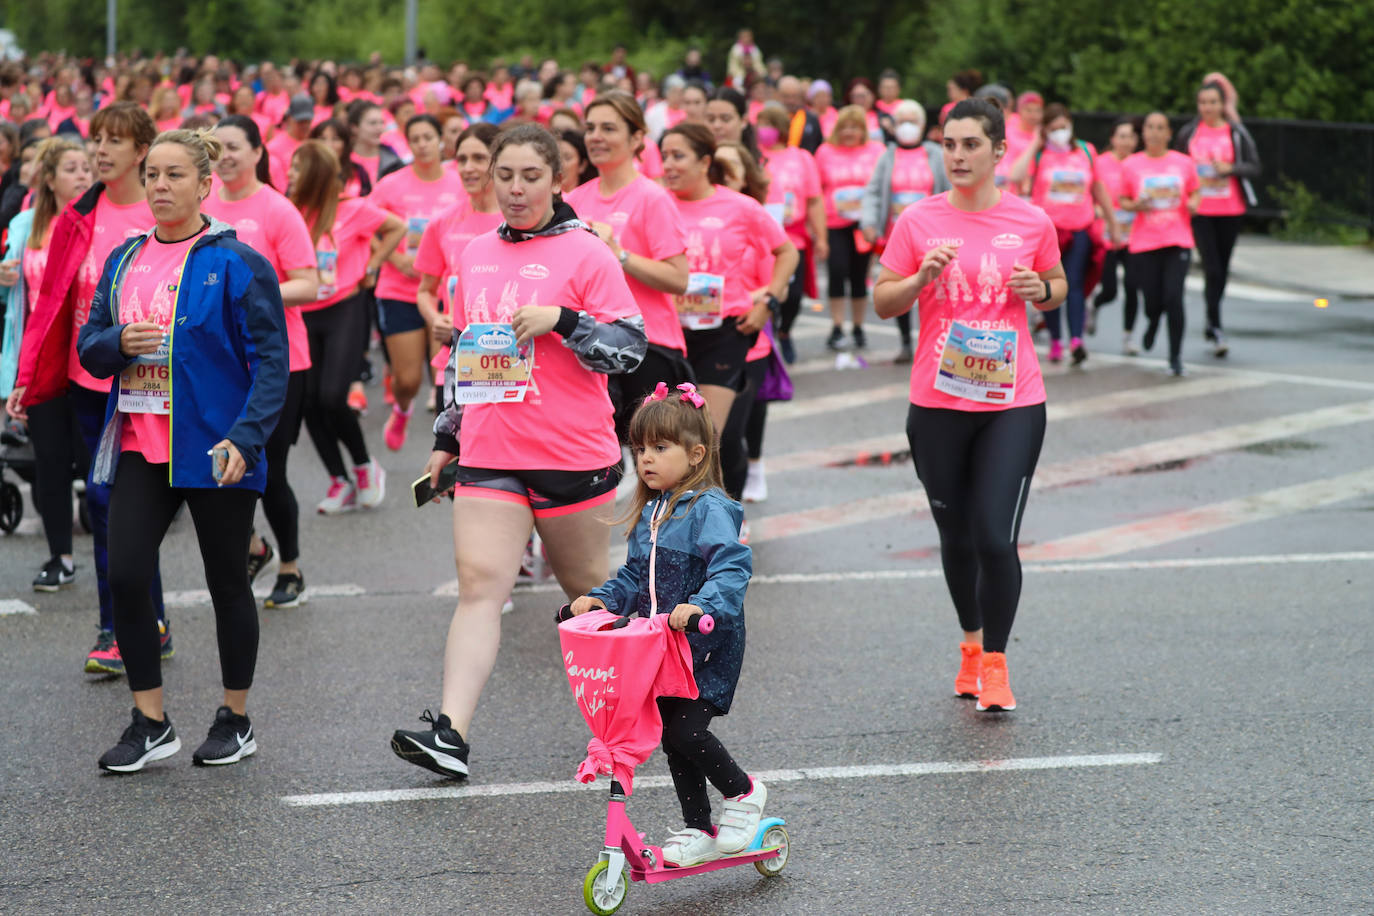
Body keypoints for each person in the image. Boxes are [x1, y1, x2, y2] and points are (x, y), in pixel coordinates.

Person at [389, 124, 647, 779]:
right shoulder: (473, 253)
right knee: (479, 587)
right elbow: (465, 360)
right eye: (505, 175)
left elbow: (629, 349)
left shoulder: (586, 252)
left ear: (557, 180)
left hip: (570, 454)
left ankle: (641, 716)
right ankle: (450, 732)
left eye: (531, 176)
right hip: (489, 448)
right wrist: (447, 437)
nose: (515, 188)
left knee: (589, 594)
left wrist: (564, 321)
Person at [77, 128, 289, 772]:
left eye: (175, 176)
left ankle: (236, 717)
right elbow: (89, 347)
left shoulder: (237, 261)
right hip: (143, 443)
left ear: (205, 184)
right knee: (126, 574)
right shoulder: (123, 259)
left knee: (227, 580)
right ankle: (150, 721)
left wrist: (246, 438)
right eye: (153, 176)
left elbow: (271, 363)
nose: (161, 187)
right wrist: (120, 341)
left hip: (215, 446)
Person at [872, 98, 1067, 713]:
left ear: (998, 151)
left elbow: (1056, 285)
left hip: (1013, 401)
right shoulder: (919, 220)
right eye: (949, 144)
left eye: (970, 145)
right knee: (955, 537)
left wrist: (1044, 291)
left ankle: (998, 664)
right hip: (937, 402)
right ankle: (971, 644)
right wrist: (919, 279)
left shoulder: (1031, 220)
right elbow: (884, 302)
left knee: (993, 535)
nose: (957, 155)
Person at [569, 384, 764, 866]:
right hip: (661, 650)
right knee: (673, 739)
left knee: (686, 733)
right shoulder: (652, 511)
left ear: (696, 454)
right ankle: (698, 827)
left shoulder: (709, 509)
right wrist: (601, 600)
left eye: (659, 448)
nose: (645, 459)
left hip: (706, 648)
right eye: (639, 449)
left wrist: (701, 605)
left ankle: (744, 793)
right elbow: (635, 578)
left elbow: (731, 568)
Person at [7, 102, 170, 676]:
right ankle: (131, 623)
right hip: (86, 383)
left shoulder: (161, 216)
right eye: (96, 138)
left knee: (119, 507)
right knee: (108, 506)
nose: (100, 150)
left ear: (142, 152)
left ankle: (128, 624)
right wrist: (26, 377)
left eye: (114, 141)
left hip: (152, 387)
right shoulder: (79, 215)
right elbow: (51, 305)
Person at [204, 115, 320, 608]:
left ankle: (290, 567)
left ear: (256, 152)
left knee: (269, 470)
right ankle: (254, 548)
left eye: (234, 146)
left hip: (279, 363)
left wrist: (248, 296)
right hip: (216, 363)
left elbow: (308, 283)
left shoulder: (277, 209)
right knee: (220, 465)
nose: (225, 156)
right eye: (217, 148)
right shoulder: (202, 206)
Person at [566, 92, 691, 443]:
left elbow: (679, 279)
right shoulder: (575, 200)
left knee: (655, 468)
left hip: (649, 348)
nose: (596, 136)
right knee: (598, 462)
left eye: (608, 128)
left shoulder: (652, 197)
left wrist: (619, 254)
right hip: (589, 348)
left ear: (637, 138)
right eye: (590, 127)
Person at [662, 123, 797, 447]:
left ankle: (703, 498)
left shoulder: (740, 206)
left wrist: (769, 304)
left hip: (722, 333)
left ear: (705, 162)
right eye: (664, 155)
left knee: (701, 440)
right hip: (666, 333)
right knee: (666, 440)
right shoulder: (656, 203)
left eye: (678, 156)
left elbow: (787, 252)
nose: (667, 164)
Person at [291, 141, 404, 514]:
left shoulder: (351, 208)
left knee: (332, 396)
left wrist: (371, 266)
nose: (290, 175)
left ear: (315, 175)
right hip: (304, 312)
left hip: (345, 308)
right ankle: (340, 481)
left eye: (297, 168)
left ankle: (364, 466)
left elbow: (396, 228)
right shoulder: (291, 214)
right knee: (307, 404)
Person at [0, 138, 92, 588]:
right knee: (49, 463)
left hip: (91, 361)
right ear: (49, 178)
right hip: (43, 360)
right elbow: (15, 302)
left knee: (94, 464)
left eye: (87, 167)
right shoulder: (25, 226)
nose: (82, 174)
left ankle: (119, 559)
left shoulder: (98, 224)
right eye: (72, 168)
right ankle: (61, 556)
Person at [368, 114, 464, 451]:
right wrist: (396, 259)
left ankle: (448, 448)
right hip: (399, 289)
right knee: (407, 380)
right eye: (416, 139)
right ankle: (403, 408)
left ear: (440, 140)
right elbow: (366, 230)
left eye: (428, 137)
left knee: (444, 381)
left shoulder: (458, 181)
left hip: (446, 294)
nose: (422, 144)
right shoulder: (391, 184)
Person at [1009, 103, 1120, 365]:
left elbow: (1099, 188)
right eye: (1053, 129)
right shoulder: (1040, 154)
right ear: (1045, 130)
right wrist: (1036, 143)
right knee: (1047, 286)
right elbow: (1015, 174)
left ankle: (1076, 341)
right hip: (1047, 232)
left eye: (1063, 126)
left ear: (1071, 124)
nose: (1059, 132)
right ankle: (1056, 341)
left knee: (1074, 285)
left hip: (1080, 227)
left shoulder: (1085, 151)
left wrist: (1112, 223)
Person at [413, 122, 503, 410]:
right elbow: (425, 290)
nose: (467, 167)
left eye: (478, 158)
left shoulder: (519, 221)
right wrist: (434, 318)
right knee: (451, 454)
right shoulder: (442, 222)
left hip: (509, 360)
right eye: (461, 159)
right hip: (454, 359)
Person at [1175, 80, 1261, 357]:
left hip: (1231, 209)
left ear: (1222, 104)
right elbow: (1176, 165)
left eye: (1213, 102)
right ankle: (1215, 324)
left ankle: (1212, 318)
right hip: (1201, 210)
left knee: (1222, 269)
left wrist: (1230, 168)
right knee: (1211, 268)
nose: (1208, 108)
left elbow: (1255, 166)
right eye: (1203, 103)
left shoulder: (1235, 132)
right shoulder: (1189, 133)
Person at [860, 100, 950, 363]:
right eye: (903, 121)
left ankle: (935, 340)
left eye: (913, 121)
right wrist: (869, 222)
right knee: (901, 288)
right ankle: (905, 342)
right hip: (897, 236)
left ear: (923, 125)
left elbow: (948, 189)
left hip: (934, 236)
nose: (908, 127)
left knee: (934, 290)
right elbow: (874, 192)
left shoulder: (936, 153)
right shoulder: (887, 155)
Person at [1119, 112, 1200, 377]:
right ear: (1144, 133)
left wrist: (1194, 203)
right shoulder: (1131, 164)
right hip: (1145, 242)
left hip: (1177, 240)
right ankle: (1153, 319)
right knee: (1153, 301)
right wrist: (1136, 205)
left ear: (1168, 133)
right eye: (1150, 128)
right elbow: (1124, 200)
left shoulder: (1184, 163)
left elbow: (1195, 191)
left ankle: (1175, 357)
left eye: (1160, 128)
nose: (1154, 132)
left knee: (1174, 298)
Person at [755, 105, 825, 364]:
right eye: (760, 124)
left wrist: (821, 237)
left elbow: (815, 200)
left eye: (769, 124)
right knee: (767, 291)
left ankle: (785, 331)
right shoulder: (754, 156)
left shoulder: (802, 157)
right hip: (762, 240)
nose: (764, 130)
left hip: (793, 236)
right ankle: (768, 340)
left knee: (793, 295)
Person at [814, 105, 884, 350]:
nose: (849, 132)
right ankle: (836, 326)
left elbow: (881, 188)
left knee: (859, 276)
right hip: (834, 223)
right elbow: (816, 191)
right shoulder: (825, 152)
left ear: (863, 130)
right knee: (836, 271)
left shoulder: (876, 151)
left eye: (855, 127)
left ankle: (857, 326)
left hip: (862, 225)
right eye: (845, 127)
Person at [1091, 117, 1143, 354]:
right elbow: (1089, 193)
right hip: (1107, 234)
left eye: (1131, 136)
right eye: (1121, 136)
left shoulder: (1141, 164)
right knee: (1110, 289)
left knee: (1133, 286)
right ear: (1112, 139)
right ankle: (1095, 304)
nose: (1126, 141)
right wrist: (1100, 211)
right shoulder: (1100, 163)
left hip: (1134, 235)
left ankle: (1128, 337)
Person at [266, 93, 314, 191]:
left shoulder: (314, 143)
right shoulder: (273, 147)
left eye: (307, 121)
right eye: (300, 121)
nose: (305, 125)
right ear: (289, 119)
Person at [776, 77, 822, 153]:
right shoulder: (773, 119)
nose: (791, 101)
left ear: (801, 97)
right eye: (786, 96)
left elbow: (818, 146)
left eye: (794, 96)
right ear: (778, 96)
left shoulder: (812, 119)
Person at [555, 128, 596, 192]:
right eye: (555, 157)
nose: (560, 164)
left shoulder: (591, 195)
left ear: (582, 165)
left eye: (567, 158)